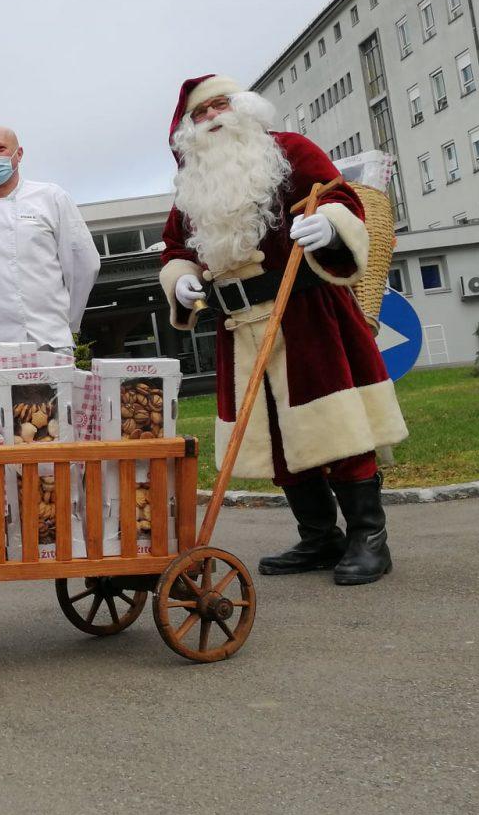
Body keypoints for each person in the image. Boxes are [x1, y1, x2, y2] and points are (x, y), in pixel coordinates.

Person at [159, 75, 408, 585]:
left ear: (243, 107)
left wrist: (331, 226)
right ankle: (319, 537)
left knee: (335, 424)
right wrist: (181, 280)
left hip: (307, 311)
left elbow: (343, 200)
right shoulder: (192, 184)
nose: (212, 117)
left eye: (220, 105)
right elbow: (176, 248)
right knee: (275, 435)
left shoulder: (290, 151)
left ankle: (369, 537)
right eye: (200, 114)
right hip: (239, 327)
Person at [0, 125, 100, 352]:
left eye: (0, 148)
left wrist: (65, 322)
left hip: (49, 340)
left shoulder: (51, 197)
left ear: (18, 154)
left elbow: (84, 265)